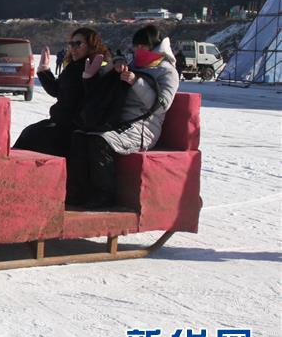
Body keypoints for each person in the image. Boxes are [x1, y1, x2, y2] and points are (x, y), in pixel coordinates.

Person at [66, 25, 179, 209]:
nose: (138, 50)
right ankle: (79, 192)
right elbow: (108, 75)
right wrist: (117, 62)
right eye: (136, 46)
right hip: (118, 119)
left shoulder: (167, 71)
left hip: (144, 126)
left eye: (143, 46)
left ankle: (105, 196)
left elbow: (162, 106)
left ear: (155, 46)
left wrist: (136, 82)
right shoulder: (134, 63)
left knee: (99, 141)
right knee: (79, 136)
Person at [13, 28, 111, 157]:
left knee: (35, 137)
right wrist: (44, 71)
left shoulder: (98, 67)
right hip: (61, 122)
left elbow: (95, 100)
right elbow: (58, 91)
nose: (73, 48)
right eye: (71, 44)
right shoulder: (73, 67)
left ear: (91, 45)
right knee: (29, 133)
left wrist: (89, 79)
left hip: (76, 127)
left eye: (78, 44)